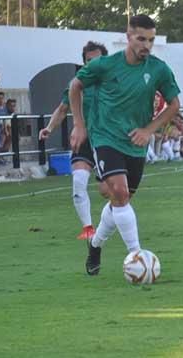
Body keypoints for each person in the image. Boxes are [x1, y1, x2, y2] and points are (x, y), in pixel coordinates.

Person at [69, 15, 181, 276]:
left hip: (136, 144)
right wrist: (79, 124)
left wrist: (148, 130)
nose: (147, 45)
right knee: (118, 192)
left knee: (122, 200)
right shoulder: (105, 65)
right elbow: (75, 86)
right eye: (141, 39)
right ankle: (137, 256)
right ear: (128, 37)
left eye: (151, 40)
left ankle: (95, 244)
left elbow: (174, 105)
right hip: (105, 137)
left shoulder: (159, 69)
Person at [39, 41, 108, 240]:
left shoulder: (114, 81)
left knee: (107, 191)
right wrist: (49, 128)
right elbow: (62, 109)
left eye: (97, 60)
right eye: (88, 61)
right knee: (78, 181)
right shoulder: (77, 84)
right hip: (84, 138)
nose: (92, 64)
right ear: (84, 63)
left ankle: (113, 221)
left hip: (108, 140)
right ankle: (88, 228)